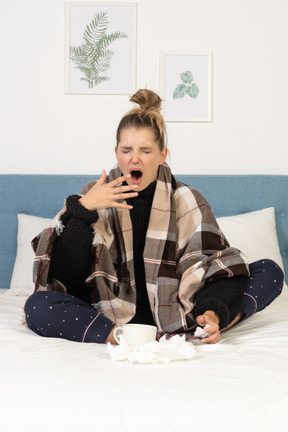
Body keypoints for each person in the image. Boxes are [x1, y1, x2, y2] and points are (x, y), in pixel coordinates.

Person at [24, 89, 284, 345]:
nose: (134, 158)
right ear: (116, 153)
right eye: (126, 150)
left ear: (162, 155)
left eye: (145, 151)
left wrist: (213, 311)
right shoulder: (93, 196)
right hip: (107, 315)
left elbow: (218, 269)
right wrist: (83, 211)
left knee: (269, 271)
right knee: (36, 306)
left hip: (182, 311)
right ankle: (120, 337)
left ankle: (213, 325)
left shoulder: (188, 199)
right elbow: (65, 278)